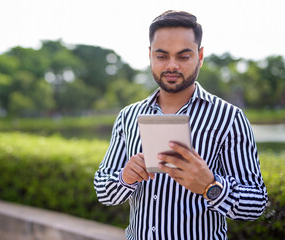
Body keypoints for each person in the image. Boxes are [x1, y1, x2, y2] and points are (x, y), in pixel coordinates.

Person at [94, 10, 268, 240]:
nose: (172, 66)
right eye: (162, 56)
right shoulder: (128, 116)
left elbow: (256, 203)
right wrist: (125, 177)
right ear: (150, 55)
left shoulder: (229, 118)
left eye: (183, 56)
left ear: (200, 55)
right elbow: (103, 189)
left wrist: (211, 186)